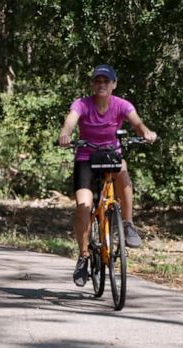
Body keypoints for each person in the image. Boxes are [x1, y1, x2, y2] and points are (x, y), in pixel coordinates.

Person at [58, 64, 157, 287]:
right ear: (92, 84)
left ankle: (128, 223)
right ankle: (83, 256)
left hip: (112, 156)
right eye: (97, 81)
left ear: (113, 84)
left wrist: (146, 133)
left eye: (106, 81)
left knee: (122, 169)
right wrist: (65, 134)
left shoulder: (121, 105)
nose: (101, 85)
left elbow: (137, 123)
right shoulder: (82, 104)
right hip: (86, 157)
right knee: (83, 206)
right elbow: (70, 122)